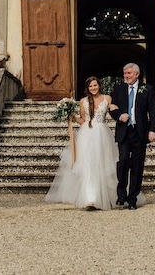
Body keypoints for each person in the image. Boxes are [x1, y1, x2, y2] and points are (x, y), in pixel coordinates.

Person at [44, 76, 118, 210]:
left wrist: (117, 109)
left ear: (99, 86)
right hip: (86, 134)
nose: (93, 88)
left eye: (95, 85)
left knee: (101, 163)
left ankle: (103, 196)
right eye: (91, 86)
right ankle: (90, 198)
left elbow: (112, 113)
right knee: (88, 165)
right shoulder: (83, 101)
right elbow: (83, 120)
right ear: (87, 88)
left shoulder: (107, 98)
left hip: (102, 134)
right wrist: (71, 115)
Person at [109, 62, 155, 210]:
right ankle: (121, 194)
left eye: (129, 73)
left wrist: (153, 130)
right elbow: (112, 108)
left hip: (140, 132)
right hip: (124, 132)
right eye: (125, 74)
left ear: (136, 74)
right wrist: (119, 116)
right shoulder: (118, 88)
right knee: (123, 162)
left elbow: (153, 111)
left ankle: (132, 199)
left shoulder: (147, 89)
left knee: (137, 167)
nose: (126, 76)